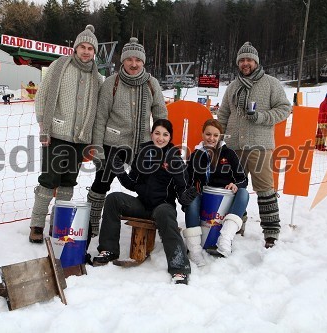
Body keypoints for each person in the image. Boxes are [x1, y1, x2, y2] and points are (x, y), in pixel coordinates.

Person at [93, 119, 195, 285]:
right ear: (152, 134)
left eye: (165, 134)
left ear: (170, 137)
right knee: (113, 199)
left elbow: (182, 187)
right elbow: (132, 184)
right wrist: (120, 171)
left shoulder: (174, 159)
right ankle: (108, 250)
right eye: (157, 133)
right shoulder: (143, 153)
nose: (160, 138)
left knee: (164, 212)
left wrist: (185, 198)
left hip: (163, 206)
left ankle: (179, 268)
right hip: (142, 205)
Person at [29, 24, 103, 243]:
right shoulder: (60, 66)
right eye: (83, 46)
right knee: (48, 180)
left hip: (81, 139)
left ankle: (59, 223)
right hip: (57, 134)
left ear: (95, 52)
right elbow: (42, 95)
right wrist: (44, 124)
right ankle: (36, 224)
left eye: (91, 48)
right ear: (75, 48)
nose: (86, 51)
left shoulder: (97, 78)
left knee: (69, 182)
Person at [87, 37, 167, 239]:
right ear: (122, 61)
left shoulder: (151, 83)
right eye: (129, 59)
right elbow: (100, 118)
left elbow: (160, 116)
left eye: (138, 60)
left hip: (144, 145)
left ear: (143, 62)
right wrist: (98, 148)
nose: (134, 64)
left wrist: (162, 145)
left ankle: (148, 222)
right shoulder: (111, 83)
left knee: (149, 185)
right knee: (101, 183)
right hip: (114, 144)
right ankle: (91, 223)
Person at [217, 42, 291, 248]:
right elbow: (223, 114)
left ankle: (271, 233)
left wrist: (261, 117)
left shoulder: (270, 83)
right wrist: (218, 139)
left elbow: (285, 108)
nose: (245, 63)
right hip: (233, 146)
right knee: (233, 188)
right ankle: (237, 225)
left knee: (265, 189)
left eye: (249, 60)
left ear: (256, 62)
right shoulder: (232, 86)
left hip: (260, 145)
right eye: (242, 60)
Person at [184, 119, 249, 265]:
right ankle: (194, 250)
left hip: (225, 197)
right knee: (191, 199)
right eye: (208, 134)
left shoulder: (228, 153)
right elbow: (187, 179)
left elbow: (242, 178)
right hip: (204, 196)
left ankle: (225, 238)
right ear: (202, 134)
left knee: (243, 193)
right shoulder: (196, 154)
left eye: (215, 135)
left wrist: (235, 184)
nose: (211, 138)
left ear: (220, 136)